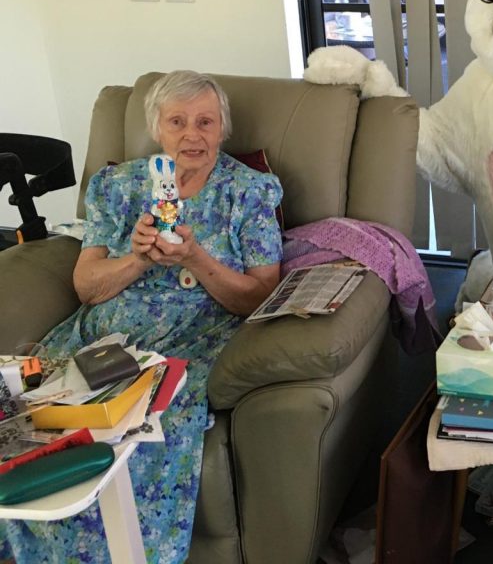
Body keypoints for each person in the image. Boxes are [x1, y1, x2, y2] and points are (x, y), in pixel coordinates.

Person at [0, 71, 284, 563]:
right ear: (157, 128)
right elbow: (88, 287)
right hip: (102, 337)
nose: (192, 134)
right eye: (178, 121)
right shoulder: (116, 187)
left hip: (191, 338)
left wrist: (195, 258)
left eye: (206, 122)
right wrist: (137, 259)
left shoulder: (249, 192)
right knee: (28, 413)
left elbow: (260, 295)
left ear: (222, 129)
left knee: (143, 433)